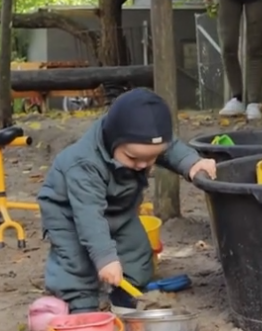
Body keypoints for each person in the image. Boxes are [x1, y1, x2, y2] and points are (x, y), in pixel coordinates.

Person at [37, 88, 218, 313]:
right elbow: (89, 217)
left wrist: (192, 163)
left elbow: (171, 149)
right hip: (69, 215)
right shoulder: (84, 164)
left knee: (138, 252)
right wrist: (105, 258)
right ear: (113, 140)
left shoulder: (140, 145)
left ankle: (124, 297)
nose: (143, 165)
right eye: (133, 158)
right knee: (77, 264)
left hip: (117, 211)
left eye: (152, 158)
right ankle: (81, 309)